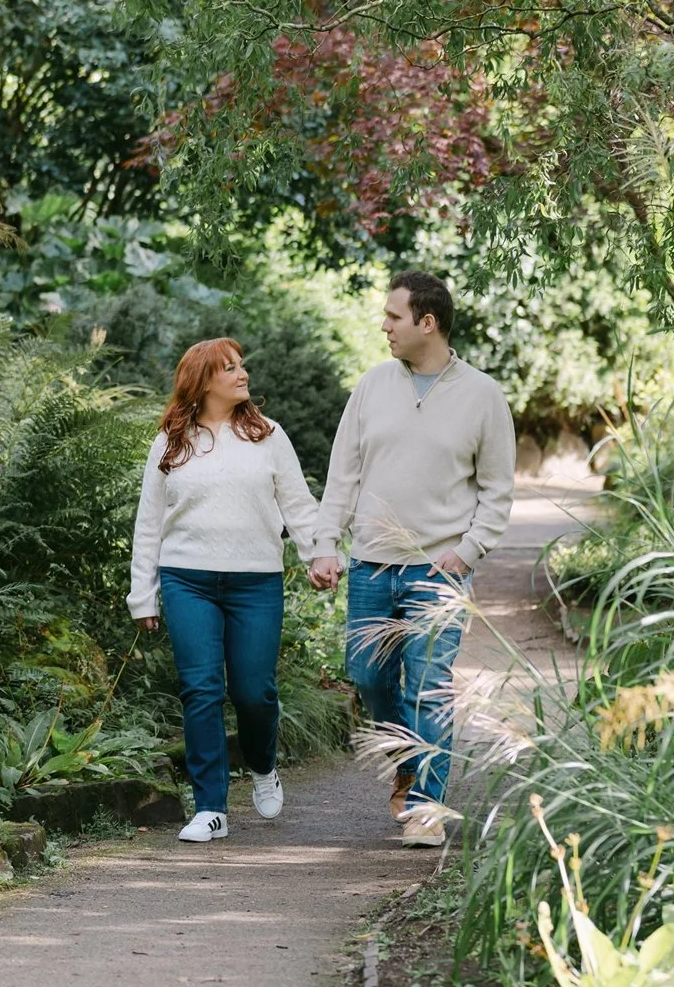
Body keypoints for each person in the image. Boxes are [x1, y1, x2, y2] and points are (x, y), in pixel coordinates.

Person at [308, 271, 515, 847]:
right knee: (369, 677)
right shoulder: (373, 386)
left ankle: (427, 807)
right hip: (373, 564)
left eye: (393, 317)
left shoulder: (482, 395)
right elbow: (342, 475)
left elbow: (497, 489)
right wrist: (326, 543)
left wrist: (468, 551)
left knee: (429, 685)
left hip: (439, 568)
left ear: (428, 322)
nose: (384, 326)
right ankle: (406, 756)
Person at [129, 338, 319, 843]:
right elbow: (150, 523)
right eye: (229, 368)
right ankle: (210, 807)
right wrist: (142, 595)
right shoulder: (171, 441)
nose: (242, 373)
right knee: (201, 690)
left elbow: (298, 505)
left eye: (241, 365)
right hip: (186, 578)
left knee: (254, 692)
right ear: (203, 381)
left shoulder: (268, 435)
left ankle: (262, 765)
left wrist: (319, 553)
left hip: (255, 580)